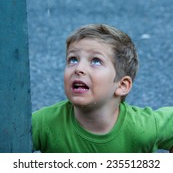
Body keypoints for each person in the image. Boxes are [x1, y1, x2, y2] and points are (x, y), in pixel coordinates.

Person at [32, 24, 173, 153]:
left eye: (96, 61)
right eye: (73, 59)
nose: (79, 68)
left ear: (122, 85)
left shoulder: (142, 128)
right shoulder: (44, 124)